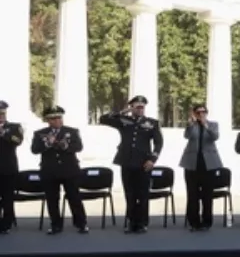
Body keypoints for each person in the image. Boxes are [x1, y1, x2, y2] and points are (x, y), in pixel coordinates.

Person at [99, 96, 163, 234]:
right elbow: (103, 119)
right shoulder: (123, 120)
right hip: (127, 161)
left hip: (144, 163)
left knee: (143, 194)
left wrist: (152, 159)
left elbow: (159, 143)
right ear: (132, 107)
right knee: (130, 193)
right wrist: (122, 112)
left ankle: (142, 223)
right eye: (137, 106)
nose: (140, 109)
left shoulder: (152, 123)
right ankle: (131, 221)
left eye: (142, 107)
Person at [31, 106, 87, 234]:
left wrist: (63, 145)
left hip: (69, 170)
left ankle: (81, 223)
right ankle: (56, 224)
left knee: (74, 197)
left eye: (59, 117)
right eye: (54, 118)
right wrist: (47, 144)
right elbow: (34, 149)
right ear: (48, 120)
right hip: (50, 170)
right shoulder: (40, 133)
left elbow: (78, 147)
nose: (57, 120)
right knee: (52, 199)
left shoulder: (72, 131)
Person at [179, 103, 222, 231]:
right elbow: (187, 136)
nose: (201, 114)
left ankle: (207, 222)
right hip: (192, 163)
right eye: (198, 112)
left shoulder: (213, 124)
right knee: (193, 194)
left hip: (209, 164)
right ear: (194, 113)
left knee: (207, 194)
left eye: (203, 112)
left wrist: (205, 125)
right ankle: (194, 222)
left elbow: (215, 137)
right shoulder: (191, 125)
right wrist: (191, 123)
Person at [0, 100, 23, 234]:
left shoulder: (14, 127)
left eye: (2, 113)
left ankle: (6, 224)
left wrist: (4, 134)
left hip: (8, 168)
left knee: (8, 197)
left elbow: (18, 141)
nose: (1, 116)